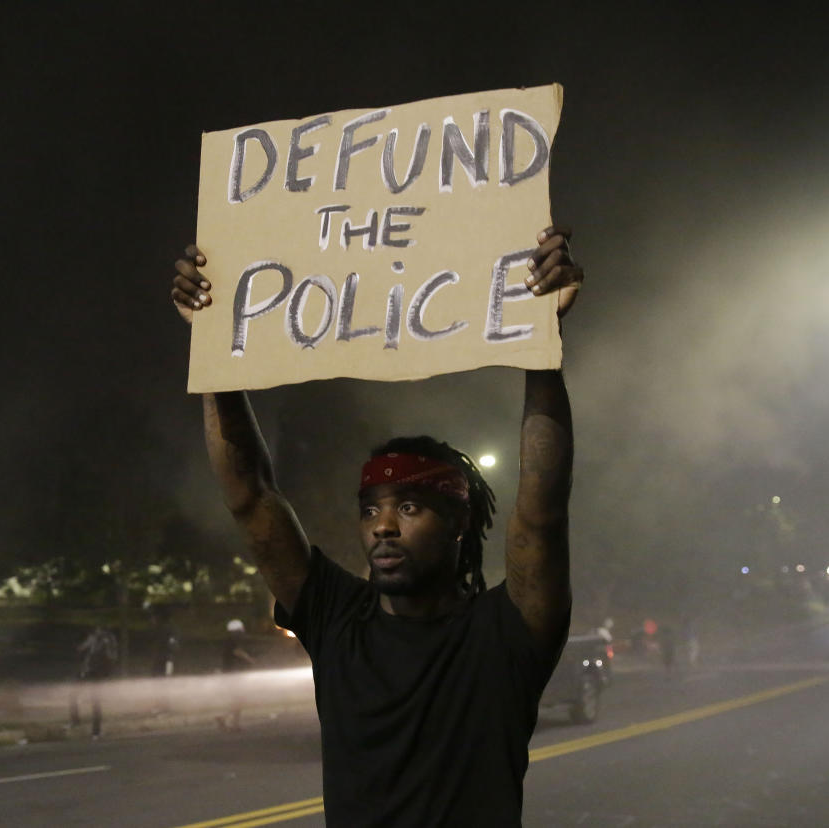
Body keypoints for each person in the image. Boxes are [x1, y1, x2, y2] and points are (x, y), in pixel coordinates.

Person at [171, 225, 582, 826]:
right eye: (371, 509)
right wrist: (212, 341)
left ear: (459, 523)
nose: (383, 526)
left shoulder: (506, 633)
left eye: (409, 508)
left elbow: (541, 512)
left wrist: (543, 340)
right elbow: (251, 495)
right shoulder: (337, 621)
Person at [71, 625, 117, 739]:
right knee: (78, 697)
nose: (97, 631)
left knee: (94, 702)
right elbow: (82, 649)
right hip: (90, 673)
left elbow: (111, 656)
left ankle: (94, 731)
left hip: (95, 674)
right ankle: (79, 724)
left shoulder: (106, 640)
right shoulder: (98, 639)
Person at [216, 618, 256, 732]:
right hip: (232, 674)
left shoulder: (229, 640)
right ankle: (227, 720)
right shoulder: (232, 641)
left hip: (229, 673)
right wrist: (250, 659)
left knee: (237, 699)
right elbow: (237, 652)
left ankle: (231, 722)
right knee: (238, 699)